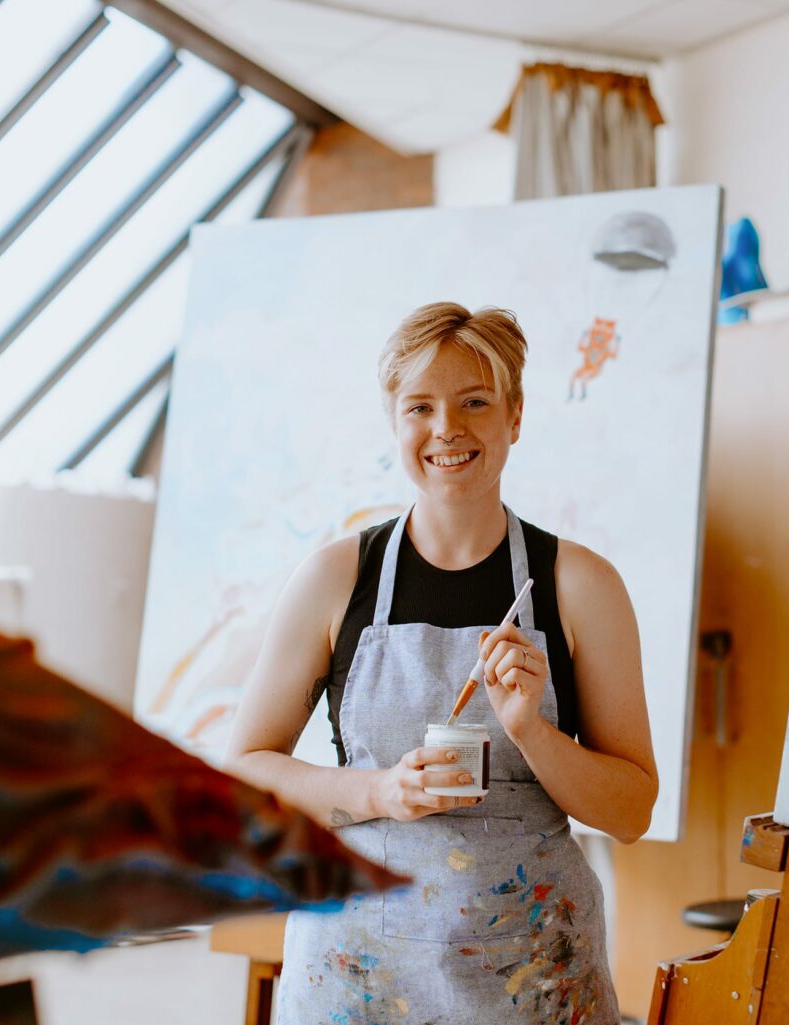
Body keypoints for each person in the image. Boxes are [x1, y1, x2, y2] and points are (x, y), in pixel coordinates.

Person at [224, 302, 657, 1024]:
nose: (446, 428)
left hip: (531, 979)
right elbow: (245, 764)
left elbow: (632, 809)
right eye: (419, 406)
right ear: (394, 422)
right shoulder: (335, 579)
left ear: (514, 416)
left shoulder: (580, 586)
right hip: (356, 978)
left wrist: (533, 731)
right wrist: (380, 791)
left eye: (474, 402)